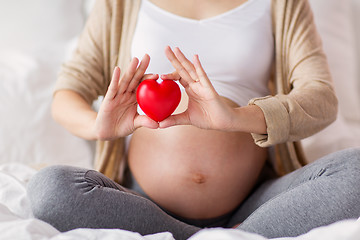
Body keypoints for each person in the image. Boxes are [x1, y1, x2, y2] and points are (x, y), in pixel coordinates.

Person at [27, 0, 360, 239]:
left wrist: (235, 117)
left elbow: (321, 98)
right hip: (143, 203)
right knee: (49, 189)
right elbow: (68, 93)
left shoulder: (282, 3)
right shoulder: (121, 4)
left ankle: (239, 232)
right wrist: (97, 125)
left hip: (256, 201)